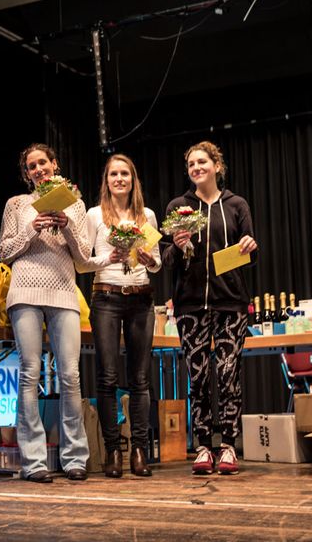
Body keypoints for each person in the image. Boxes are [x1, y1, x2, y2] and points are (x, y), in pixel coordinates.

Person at [162, 141, 257, 476]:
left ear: (217, 166)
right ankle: (203, 446)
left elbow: (251, 252)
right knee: (199, 378)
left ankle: (228, 445)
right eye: (191, 164)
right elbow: (166, 259)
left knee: (229, 376)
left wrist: (249, 245)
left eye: (202, 162)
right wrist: (176, 245)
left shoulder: (236, 205)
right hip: (190, 305)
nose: (196, 168)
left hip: (231, 303)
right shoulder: (178, 207)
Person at [0, 143, 91, 483]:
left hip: (65, 291)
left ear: (55, 164)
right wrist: (31, 228)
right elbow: (5, 251)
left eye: (43, 163)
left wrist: (66, 224)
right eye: (32, 166)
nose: (39, 169)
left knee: (70, 375)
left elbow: (83, 258)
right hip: (24, 291)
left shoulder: (76, 203)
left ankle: (75, 457)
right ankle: (33, 461)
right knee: (29, 373)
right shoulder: (17, 204)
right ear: (27, 174)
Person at [76, 154, 160, 478]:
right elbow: (83, 262)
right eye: (114, 173)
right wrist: (108, 257)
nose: (120, 178)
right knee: (107, 377)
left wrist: (146, 257)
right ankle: (112, 451)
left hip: (141, 299)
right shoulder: (94, 215)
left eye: (125, 173)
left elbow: (157, 265)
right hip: (106, 297)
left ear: (133, 179)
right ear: (107, 179)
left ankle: (139, 450)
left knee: (140, 380)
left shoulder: (147, 215)